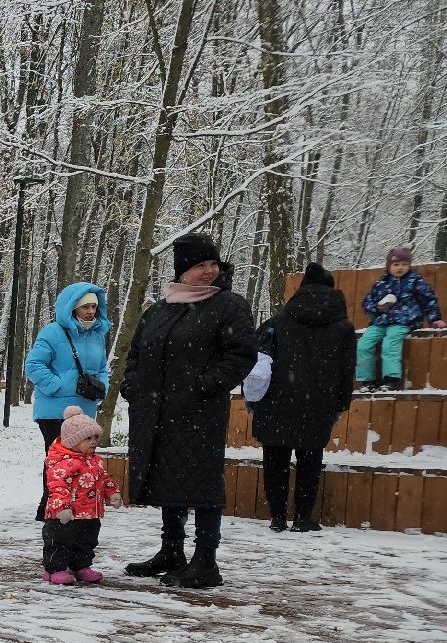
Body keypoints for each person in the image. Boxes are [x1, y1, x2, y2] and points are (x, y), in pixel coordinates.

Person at [120, 233, 258, 588]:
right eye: (201, 265)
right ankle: (171, 551)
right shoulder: (159, 310)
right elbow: (135, 354)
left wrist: (205, 386)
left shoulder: (228, 305)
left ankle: (206, 561)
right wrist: (132, 387)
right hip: (155, 412)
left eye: (213, 264)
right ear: (183, 269)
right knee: (170, 479)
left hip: (199, 413)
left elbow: (241, 354)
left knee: (203, 484)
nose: (209, 271)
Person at [255, 263, 354, 532]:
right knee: (310, 460)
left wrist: (253, 400)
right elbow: (347, 371)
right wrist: (341, 403)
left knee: (276, 458)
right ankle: (302, 517)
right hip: (319, 401)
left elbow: (259, 361)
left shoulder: (277, 322)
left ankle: (277, 516)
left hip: (277, 399)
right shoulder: (343, 328)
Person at [24, 283, 111, 520]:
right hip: (54, 411)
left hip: (85, 409)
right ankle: (51, 508)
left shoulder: (97, 335)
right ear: (72, 308)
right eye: (85, 307)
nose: (91, 311)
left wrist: (103, 387)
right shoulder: (52, 333)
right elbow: (33, 366)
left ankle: (77, 506)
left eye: (94, 306)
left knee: (82, 461)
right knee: (59, 462)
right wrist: (58, 387)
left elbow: (102, 369)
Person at [41, 406, 123, 584]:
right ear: (72, 441)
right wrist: (61, 508)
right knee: (59, 542)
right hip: (65, 515)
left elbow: (103, 479)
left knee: (86, 542)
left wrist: (112, 491)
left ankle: (81, 566)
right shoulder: (64, 463)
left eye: (95, 437)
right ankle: (54, 569)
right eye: (88, 438)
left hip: (90, 513)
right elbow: (57, 486)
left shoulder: (95, 460)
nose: (94, 442)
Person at [357, 245, 444, 392]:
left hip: (403, 321)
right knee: (364, 345)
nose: (400, 267)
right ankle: (367, 380)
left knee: (389, 344)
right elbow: (367, 302)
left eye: (404, 264)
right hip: (380, 322)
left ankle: (390, 379)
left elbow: (428, 299)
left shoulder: (415, 281)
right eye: (396, 264)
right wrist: (377, 307)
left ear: (409, 265)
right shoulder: (381, 284)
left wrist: (435, 319)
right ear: (389, 266)